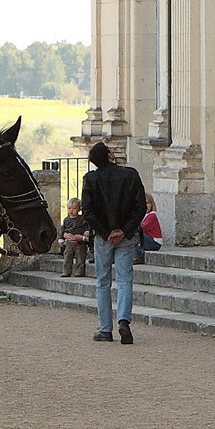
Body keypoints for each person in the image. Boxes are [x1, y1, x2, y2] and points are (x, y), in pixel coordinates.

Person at [81, 142, 146, 345]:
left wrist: (106, 232)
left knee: (103, 281)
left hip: (103, 237)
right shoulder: (130, 175)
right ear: (110, 155)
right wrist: (124, 230)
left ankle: (105, 328)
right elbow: (140, 206)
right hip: (125, 235)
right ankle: (124, 320)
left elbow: (88, 211)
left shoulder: (90, 179)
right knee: (125, 280)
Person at [58, 198, 90, 277]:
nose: (71, 211)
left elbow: (87, 227)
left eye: (74, 208)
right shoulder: (66, 220)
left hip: (80, 242)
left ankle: (79, 271)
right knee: (67, 256)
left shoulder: (82, 219)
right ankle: (66, 271)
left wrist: (86, 232)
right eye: (69, 208)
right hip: (69, 242)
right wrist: (61, 239)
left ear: (79, 209)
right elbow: (63, 230)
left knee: (80, 257)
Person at [135, 193, 163, 264]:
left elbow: (141, 228)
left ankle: (138, 256)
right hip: (148, 240)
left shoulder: (152, 215)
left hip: (155, 242)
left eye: (147, 203)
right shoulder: (143, 215)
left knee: (136, 236)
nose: (145, 206)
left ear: (152, 204)